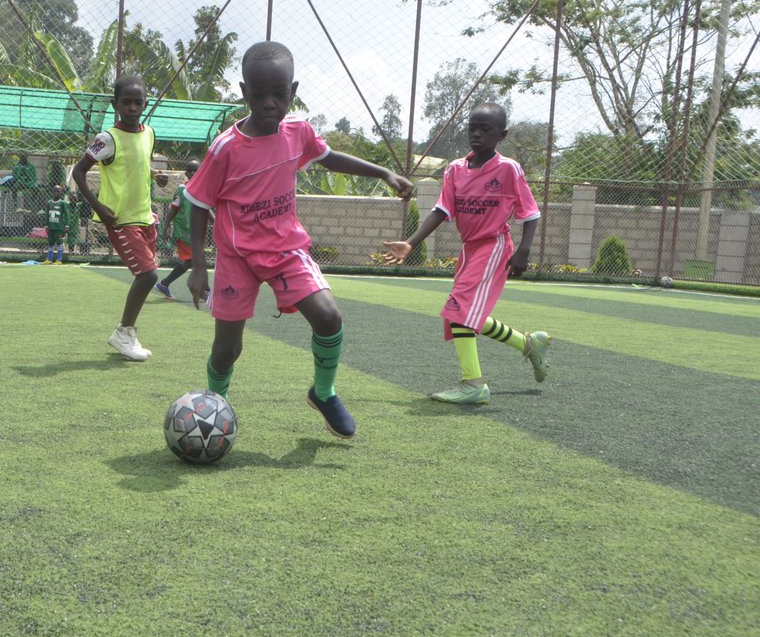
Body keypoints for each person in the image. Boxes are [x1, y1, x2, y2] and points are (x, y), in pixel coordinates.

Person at [185, 41, 413, 438]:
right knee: (227, 349)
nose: (270, 103)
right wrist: (199, 267)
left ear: (293, 91)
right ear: (244, 92)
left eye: (279, 94)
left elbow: (329, 156)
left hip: (287, 249)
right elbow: (198, 203)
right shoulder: (225, 149)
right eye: (259, 95)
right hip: (236, 257)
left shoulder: (298, 132)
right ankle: (215, 405)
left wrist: (384, 174)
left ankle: (323, 393)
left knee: (328, 317)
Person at [382, 102, 550, 405]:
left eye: (485, 129)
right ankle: (528, 344)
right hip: (470, 249)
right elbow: (442, 210)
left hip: (494, 246)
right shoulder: (455, 169)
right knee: (465, 313)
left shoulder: (508, 169)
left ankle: (473, 383)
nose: (477, 133)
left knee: (459, 309)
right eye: (472, 127)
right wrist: (411, 243)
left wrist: (524, 251)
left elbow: (530, 212)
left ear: (502, 135)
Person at [72, 74, 158, 361]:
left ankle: (126, 334)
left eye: (138, 102)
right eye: (127, 102)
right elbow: (78, 171)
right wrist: (97, 206)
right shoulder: (106, 139)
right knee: (148, 275)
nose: (133, 107)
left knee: (147, 276)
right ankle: (124, 334)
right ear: (115, 105)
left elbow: (136, 166)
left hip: (146, 218)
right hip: (120, 220)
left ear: (145, 104)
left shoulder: (149, 134)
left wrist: (155, 177)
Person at [155, 159, 206, 301]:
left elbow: (207, 209)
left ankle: (164, 284)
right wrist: (165, 229)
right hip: (184, 233)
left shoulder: (201, 189)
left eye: (197, 169)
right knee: (197, 260)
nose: (195, 172)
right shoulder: (182, 190)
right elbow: (172, 211)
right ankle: (205, 291)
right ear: (186, 173)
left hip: (195, 233)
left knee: (190, 262)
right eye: (191, 170)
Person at [43, 184, 70, 264]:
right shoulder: (49, 203)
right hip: (51, 227)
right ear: (52, 192)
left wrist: (67, 225)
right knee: (50, 243)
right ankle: (49, 259)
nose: (56, 192)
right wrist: (46, 225)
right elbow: (47, 214)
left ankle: (59, 259)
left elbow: (67, 215)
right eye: (54, 191)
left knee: (59, 242)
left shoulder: (62, 203)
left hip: (59, 227)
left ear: (61, 193)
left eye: (58, 191)